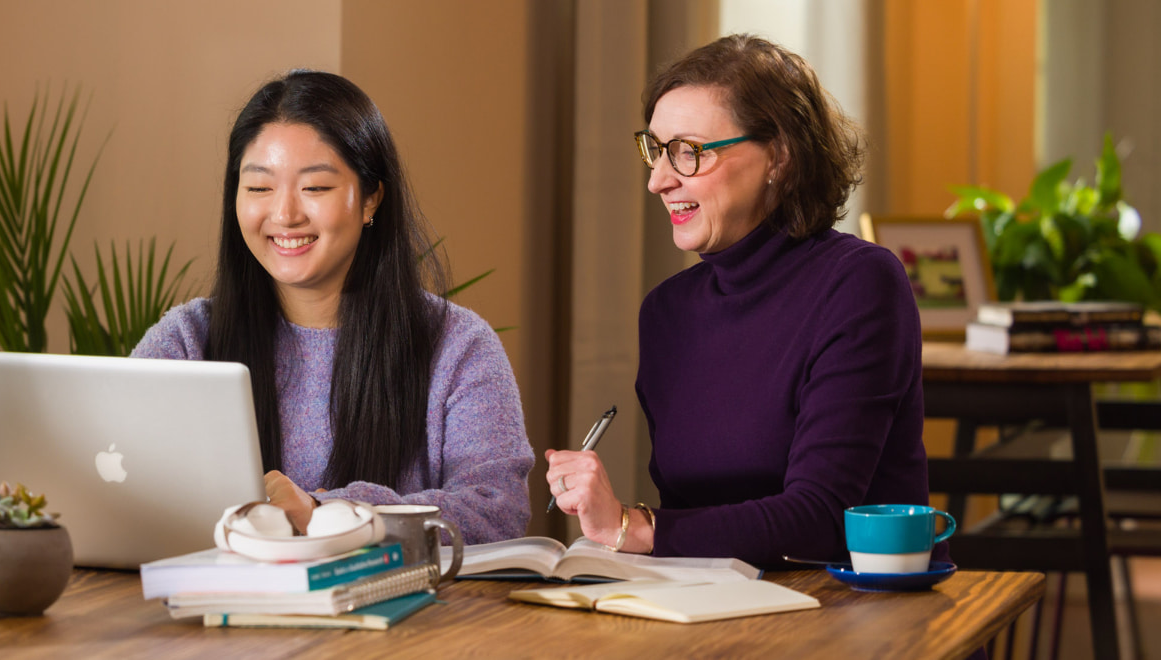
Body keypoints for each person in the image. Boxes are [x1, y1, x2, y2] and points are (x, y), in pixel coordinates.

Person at [544, 35, 936, 566]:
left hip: (855, 612)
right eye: (656, 151)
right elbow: (690, 511)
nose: (659, 180)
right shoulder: (666, 312)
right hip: (717, 607)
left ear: (779, 155)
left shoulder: (861, 284)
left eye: (689, 152)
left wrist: (631, 527)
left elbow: (824, 519)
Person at [132, 70, 533, 544]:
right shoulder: (185, 341)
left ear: (371, 198)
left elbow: (497, 511)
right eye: (259, 188)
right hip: (216, 606)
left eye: (315, 188)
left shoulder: (457, 346)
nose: (284, 214)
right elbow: (119, 485)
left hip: (401, 615)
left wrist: (328, 512)